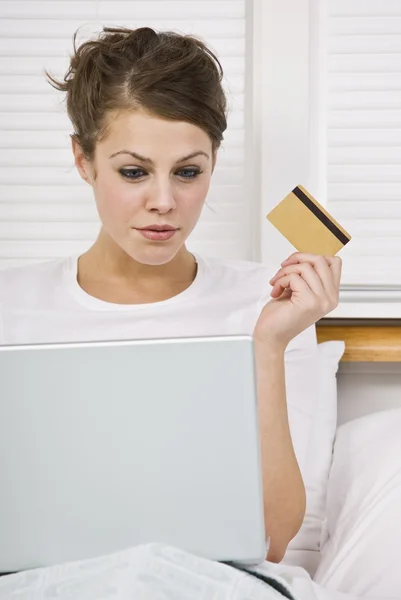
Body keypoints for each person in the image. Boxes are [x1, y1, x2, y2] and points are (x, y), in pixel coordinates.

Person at [0, 27, 341, 564]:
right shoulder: (10, 305)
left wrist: (268, 347)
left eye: (188, 172)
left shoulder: (268, 302)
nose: (164, 201)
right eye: (133, 172)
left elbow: (273, 542)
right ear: (83, 160)